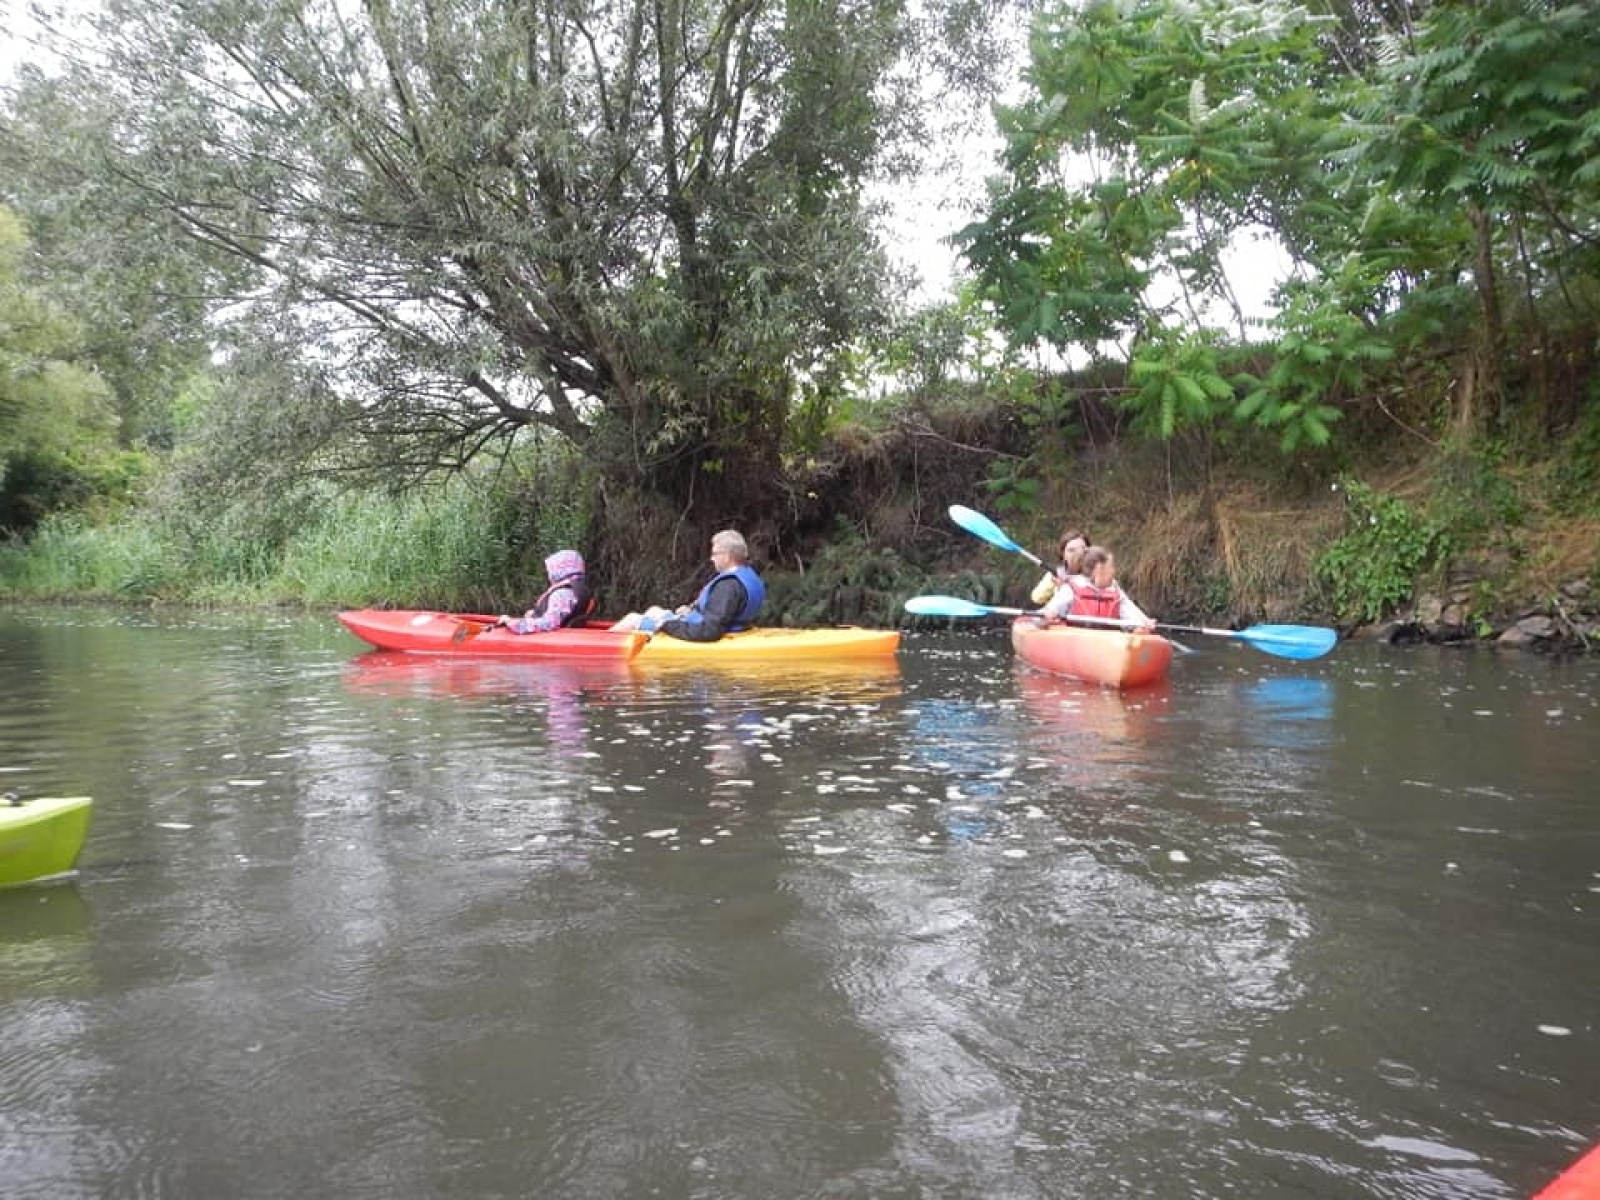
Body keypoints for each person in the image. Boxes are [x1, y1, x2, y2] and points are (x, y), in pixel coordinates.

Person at [611, 529, 765, 642]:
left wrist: (667, 625)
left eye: (715, 553)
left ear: (727, 556)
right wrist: (691, 611)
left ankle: (600, 647)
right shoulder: (747, 574)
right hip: (732, 626)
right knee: (654, 610)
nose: (712, 559)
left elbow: (709, 631)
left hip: (710, 630)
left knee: (632, 619)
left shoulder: (728, 586)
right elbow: (720, 613)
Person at [1042, 545, 1156, 631]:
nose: (1114, 571)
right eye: (1110, 567)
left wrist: (1144, 623)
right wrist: (1049, 615)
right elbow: (1050, 611)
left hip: (1107, 643)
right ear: (1099, 569)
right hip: (1076, 638)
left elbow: (1133, 616)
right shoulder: (1071, 588)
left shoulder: (1115, 591)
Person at [493, 549, 594, 633]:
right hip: (569, 635)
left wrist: (513, 623)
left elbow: (549, 623)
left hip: (556, 639)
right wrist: (534, 615)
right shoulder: (577, 589)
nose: (549, 575)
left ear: (559, 571)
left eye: (551, 571)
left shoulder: (561, 594)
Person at [1030, 527, 1092, 606]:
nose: (1078, 554)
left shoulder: (1096, 575)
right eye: (1071, 550)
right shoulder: (1057, 573)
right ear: (1063, 555)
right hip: (1060, 616)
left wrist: (1064, 588)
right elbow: (1036, 598)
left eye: (1082, 549)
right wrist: (1053, 584)